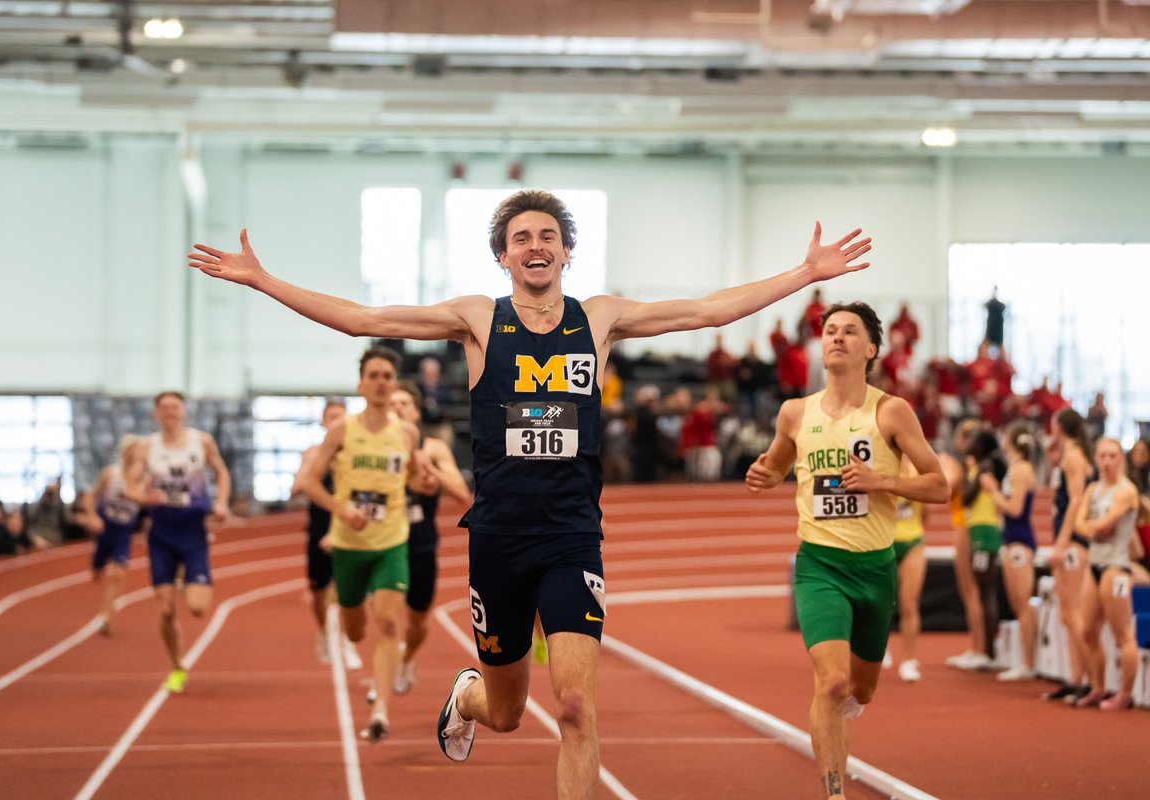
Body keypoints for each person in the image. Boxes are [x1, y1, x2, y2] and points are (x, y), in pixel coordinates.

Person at [189, 189, 871, 799]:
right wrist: (263, 281)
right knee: (510, 711)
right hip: (498, 540)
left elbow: (707, 310)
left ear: (567, 252)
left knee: (574, 706)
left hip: (572, 537)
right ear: (503, 257)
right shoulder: (477, 320)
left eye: (548, 236)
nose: (536, 246)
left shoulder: (600, 319)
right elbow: (361, 317)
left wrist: (806, 274)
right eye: (522, 238)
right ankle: (469, 694)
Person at [744, 301, 948, 800]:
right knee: (831, 685)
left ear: (871, 348)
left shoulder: (890, 411)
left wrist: (882, 480)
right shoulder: (796, 412)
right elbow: (776, 465)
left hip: (875, 569)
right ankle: (834, 792)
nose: (836, 338)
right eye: (830, 330)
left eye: (849, 332)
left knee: (862, 691)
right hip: (820, 566)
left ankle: (841, 716)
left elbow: (939, 486)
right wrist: (764, 474)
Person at [296, 347, 423, 742]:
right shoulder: (342, 431)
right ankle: (349, 621)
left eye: (388, 375)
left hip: (392, 542)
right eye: (375, 375)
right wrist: (340, 509)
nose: (382, 381)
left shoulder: (406, 433)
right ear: (361, 384)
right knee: (354, 630)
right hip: (349, 544)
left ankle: (380, 710)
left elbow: (415, 476)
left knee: (388, 622)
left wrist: (428, 482)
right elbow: (310, 484)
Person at [141, 391, 231, 694]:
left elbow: (221, 470)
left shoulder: (201, 441)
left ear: (183, 412)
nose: (170, 412)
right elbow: (130, 484)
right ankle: (177, 666)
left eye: (175, 407)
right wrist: (143, 497)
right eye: (164, 407)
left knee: (197, 607)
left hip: (193, 531)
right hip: (162, 533)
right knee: (166, 611)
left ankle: (184, 576)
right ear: (156, 414)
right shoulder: (146, 448)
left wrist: (221, 502)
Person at [390, 380, 470, 695]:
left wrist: (430, 472)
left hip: (421, 542)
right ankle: (388, 664)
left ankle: (406, 657)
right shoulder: (377, 446)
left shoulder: (434, 447)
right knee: (387, 612)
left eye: (403, 404)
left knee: (418, 622)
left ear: (416, 410)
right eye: (392, 404)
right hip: (385, 541)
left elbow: (462, 495)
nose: (397, 409)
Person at [291, 398, 362, 668]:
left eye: (340, 417)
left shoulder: (356, 453)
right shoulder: (312, 454)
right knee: (319, 592)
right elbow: (296, 489)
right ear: (323, 422)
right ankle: (323, 631)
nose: (335, 422)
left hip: (348, 525)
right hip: (319, 524)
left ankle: (346, 642)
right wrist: (309, 469)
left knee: (348, 588)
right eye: (331, 417)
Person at [1072, 438, 1140, 710]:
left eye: (1113, 456)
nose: (1107, 461)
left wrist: (1092, 525)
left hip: (1116, 568)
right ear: (1096, 458)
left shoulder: (1126, 491)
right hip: (1095, 565)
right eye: (1102, 456)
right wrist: (1093, 526)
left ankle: (1125, 694)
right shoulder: (1093, 489)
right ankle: (1098, 687)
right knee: (1087, 631)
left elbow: (1107, 524)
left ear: (1120, 459)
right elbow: (1080, 524)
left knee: (1122, 634)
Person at [1042, 408, 1095, 702]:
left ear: (1060, 427)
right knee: (1067, 613)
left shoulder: (1073, 457)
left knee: (1073, 613)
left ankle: (1090, 680)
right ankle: (1077, 678)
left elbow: (1076, 501)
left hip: (1074, 541)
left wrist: (1062, 543)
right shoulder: (1069, 456)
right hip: (1069, 538)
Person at [982, 423, 1039, 681]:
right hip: (1013, 538)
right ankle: (1025, 660)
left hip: (1020, 540)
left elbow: (1015, 509)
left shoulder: (1020, 470)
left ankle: (1028, 662)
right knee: (1017, 603)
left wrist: (993, 491)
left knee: (1022, 603)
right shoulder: (1017, 469)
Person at [87, 435, 149, 636]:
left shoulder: (146, 482)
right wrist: (92, 516)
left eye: (138, 453)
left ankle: (105, 616)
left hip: (123, 532)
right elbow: (91, 496)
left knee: (118, 574)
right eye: (131, 452)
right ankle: (97, 568)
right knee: (97, 574)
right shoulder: (110, 474)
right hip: (105, 529)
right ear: (124, 453)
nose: (134, 457)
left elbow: (149, 505)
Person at [942, 419, 990, 670]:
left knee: (969, 589)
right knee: (973, 591)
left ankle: (978, 647)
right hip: (966, 525)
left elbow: (947, 490)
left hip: (964, 526)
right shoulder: (974, 466)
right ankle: (979, 647)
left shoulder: (963, 466)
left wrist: (944, 468)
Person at [959, 429, 1007, 669]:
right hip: (980, 531)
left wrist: (972, 476)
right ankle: (987, 650)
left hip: (984, 533)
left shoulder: (984, 469)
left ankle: (989, 651)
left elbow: (965, 498)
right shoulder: (980, 469)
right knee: (983, 590)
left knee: (985, 590)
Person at [890, 458, 927, 683]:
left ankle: (907, 659)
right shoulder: (882, 465)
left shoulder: (917, 471)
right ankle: (878, 649)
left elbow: (926, 511)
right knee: (881, 602)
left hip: (912, 541)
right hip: (884, 541)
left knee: (909, 604)